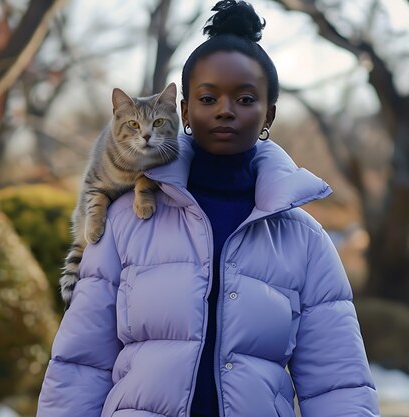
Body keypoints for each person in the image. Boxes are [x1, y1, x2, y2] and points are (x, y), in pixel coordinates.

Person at [37, 1, 380, 416]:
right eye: (208, 96)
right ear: (182, 112)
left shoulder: (304, 240)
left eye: (245, 98)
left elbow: (337, 386)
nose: (225, 109)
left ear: (267, 114)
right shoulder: (125, 220)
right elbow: (80, 366)